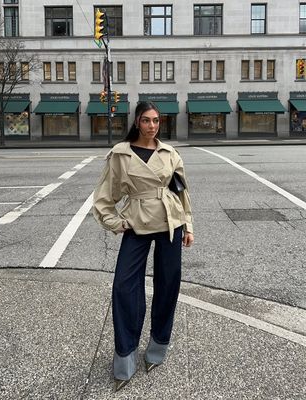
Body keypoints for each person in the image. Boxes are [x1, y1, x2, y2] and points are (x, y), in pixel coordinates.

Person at [92, 101, 194, 392]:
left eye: (156, 121)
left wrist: (188, 225)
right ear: (137, 122)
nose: (152, 126)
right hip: (136, 224)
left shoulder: (169, 153)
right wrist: (117, 222)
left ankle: (159, 343)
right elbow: (103, 196)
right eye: (146, 120)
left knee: (168, 285)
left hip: (170, 223)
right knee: (124, 286)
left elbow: (181, 191)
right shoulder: (120, 155)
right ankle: (124, 354)